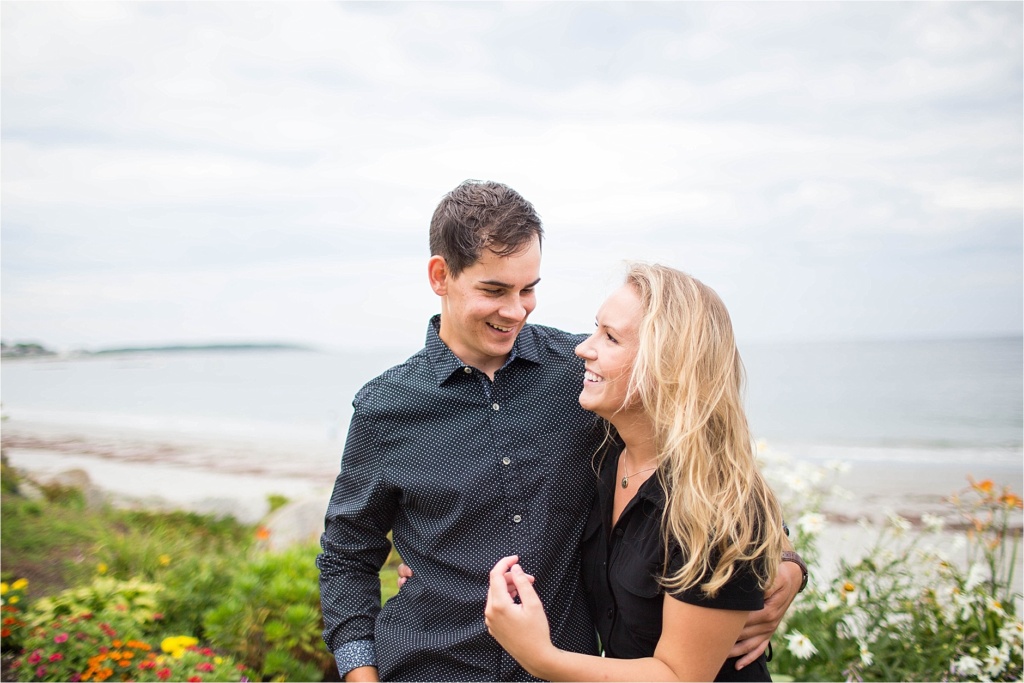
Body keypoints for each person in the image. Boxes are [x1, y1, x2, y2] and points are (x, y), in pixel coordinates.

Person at [318, 181, 805, 682]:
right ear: (441, 276)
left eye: (527, 289)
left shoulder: (588, 377)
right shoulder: (385, 408)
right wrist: (361, 676)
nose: (516, 310)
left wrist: (786, 563)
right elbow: (347, 557)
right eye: (494, 290)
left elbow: (704, 464)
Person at [485, 263, 798, 681]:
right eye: (595, 328)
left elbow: (679, 676)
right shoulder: (604, 450)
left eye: (610, 338)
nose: (583, 348)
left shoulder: (715, 502)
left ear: (666, 365)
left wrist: (540, 657)